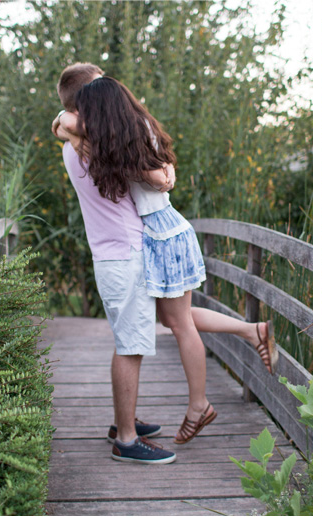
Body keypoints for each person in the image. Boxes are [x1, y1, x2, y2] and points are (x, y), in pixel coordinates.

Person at [53, 65, 278, 450]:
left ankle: (182, 408)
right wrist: (161, 173)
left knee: (164, 326)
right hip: (133, 248)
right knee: (165, 323)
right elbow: (68, 122)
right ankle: (132, 434)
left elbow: (68, 123)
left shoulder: (91, 143)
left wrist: (159, 173)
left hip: (144, 243)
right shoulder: (101, 141)